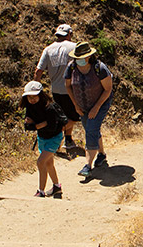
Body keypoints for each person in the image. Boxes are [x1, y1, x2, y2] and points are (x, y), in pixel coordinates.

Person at [65, 42, 113, 179]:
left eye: (82, 57)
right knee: (91, 129)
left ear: (88, 57)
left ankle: (88, 165)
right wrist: (75, 104)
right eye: (77, 57)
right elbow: (68, 86)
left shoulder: (100, 68)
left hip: (100, 104)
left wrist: (97, 107)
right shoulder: (71, 67)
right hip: (82, 106)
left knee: (91, 130)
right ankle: (102, 155)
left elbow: (108, 89)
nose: (79, 60)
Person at [33, 24, 80, 152]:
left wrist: (35, 91)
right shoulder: (74, 47)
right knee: (76, 117)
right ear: (69, 33)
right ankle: (55, 134)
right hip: (71, 89)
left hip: (56, 90)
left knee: (62, 115)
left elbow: (38, 71)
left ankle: (68, 139)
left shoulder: (48, 49)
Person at [20, 81, 66, 198]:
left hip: (54, 138)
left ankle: (41, 191)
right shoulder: (30, 108)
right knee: (49, 163)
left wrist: (35, 124)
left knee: (41, 162)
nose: (32, 99)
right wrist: (41, 124)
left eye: (34, 96)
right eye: (29, 97)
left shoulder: (50, 108)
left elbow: (52, 127)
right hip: (42, 138)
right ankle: (56, 186)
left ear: (40, 94)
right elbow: (27, 126)